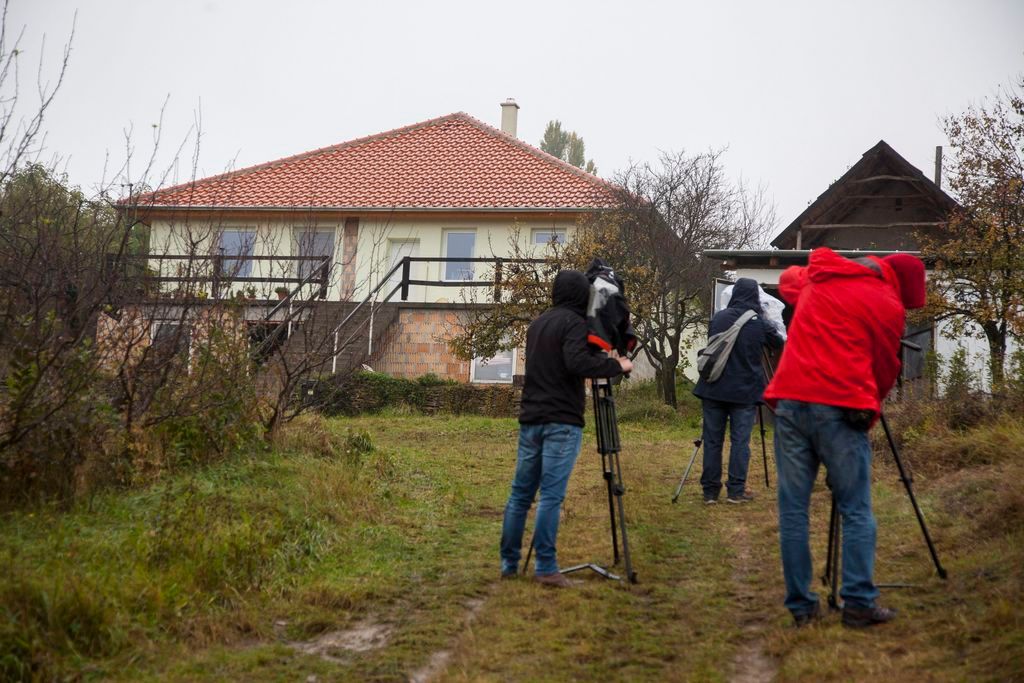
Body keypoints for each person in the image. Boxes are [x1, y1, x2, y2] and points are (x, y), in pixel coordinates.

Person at [763, 247, 926, 628]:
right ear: (902, 287)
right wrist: (870, 410)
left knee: (793, 510)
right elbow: (886, 368)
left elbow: (788, 280)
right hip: (840, 406)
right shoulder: (886, 302)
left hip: (790, 401)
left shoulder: (822, 278)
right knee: (856, 509)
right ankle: (858, 602)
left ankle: (802, 608)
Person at [500, 270, 633, 587]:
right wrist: (617, 364)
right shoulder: (574, 324)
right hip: (561, 421)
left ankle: (509, 565)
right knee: (550, 497)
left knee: (520, 496)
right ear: (581, 296)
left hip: (531, 418)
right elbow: (577, 363)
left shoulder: (537, 324)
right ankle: (546, 567)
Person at [693, 278, 785, 504]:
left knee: (713, 441)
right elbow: (778, 342)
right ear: (755, 296)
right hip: (744, 393)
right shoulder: (759, 323)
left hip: (713, 388)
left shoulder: (719, 317)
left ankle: (710, 492)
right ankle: (736, 491)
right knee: (740, 442)